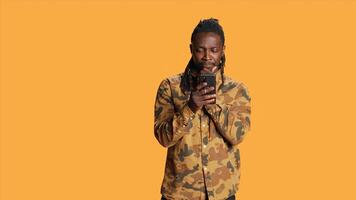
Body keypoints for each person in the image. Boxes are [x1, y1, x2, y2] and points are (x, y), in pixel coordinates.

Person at [154, 18, 251, 200]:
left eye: (214, 50)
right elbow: (163, 138)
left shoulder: (237, 90)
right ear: (191, 49)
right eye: (200, 50)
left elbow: (238, 136)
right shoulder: (170, 86)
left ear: (223, 50)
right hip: (180, 193)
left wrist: (212, 105)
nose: (207, 56)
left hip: (222, 192)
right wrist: (191, 106)